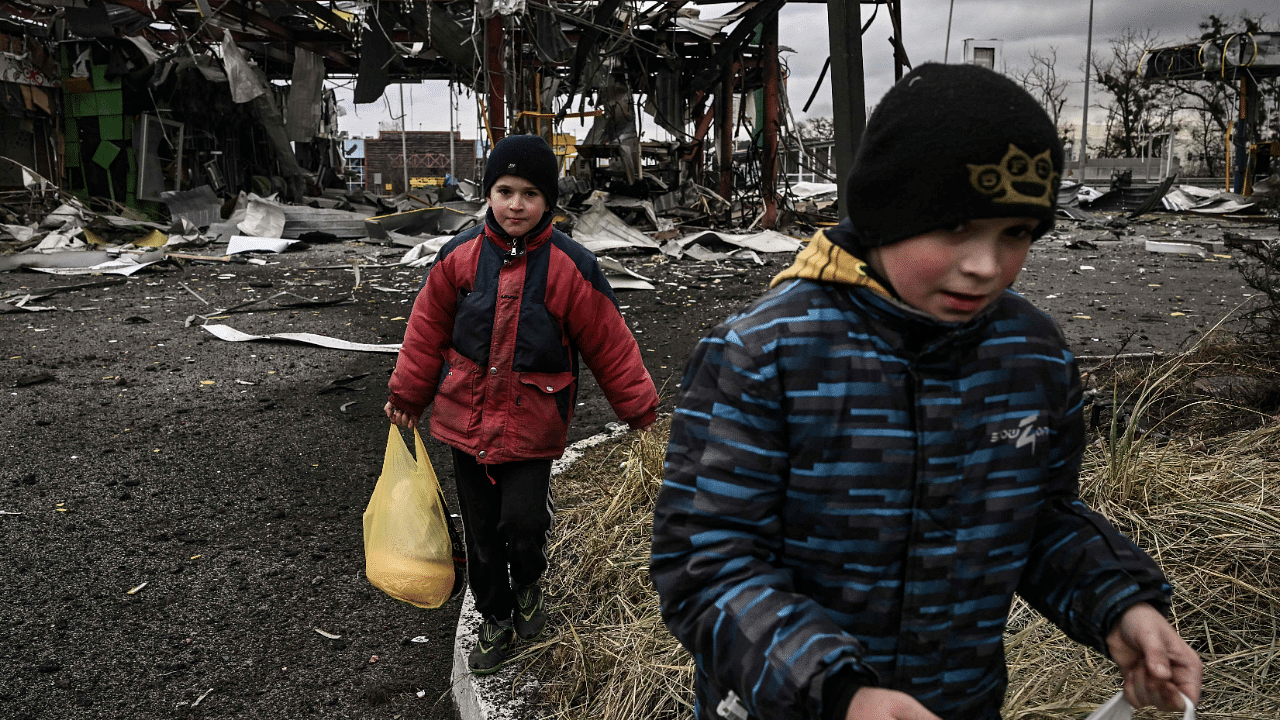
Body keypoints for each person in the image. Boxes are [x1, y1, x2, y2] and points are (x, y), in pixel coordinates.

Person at [650, 64, 1201, 720]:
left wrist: (1123, 604)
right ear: (888, 211)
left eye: (1016, 234)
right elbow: (707, 564)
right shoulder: (766, 354)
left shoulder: (1031, 354)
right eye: (957, 227)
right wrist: (840, 693)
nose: (986, 265)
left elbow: (1042, 519)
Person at [385, 134, 658, 675]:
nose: (515, 205)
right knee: (482, 533)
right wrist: (408, 394)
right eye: (504, 190)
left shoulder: (571, 268)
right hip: (465, 422)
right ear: (488, 193)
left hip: (532, 426)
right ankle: (495, 616)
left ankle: (529, 584)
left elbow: (610, 342)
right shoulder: (458, 258)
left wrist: (640, 412)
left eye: (530, 193)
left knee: (524, 524)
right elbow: (425, 331)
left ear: (548, 202)